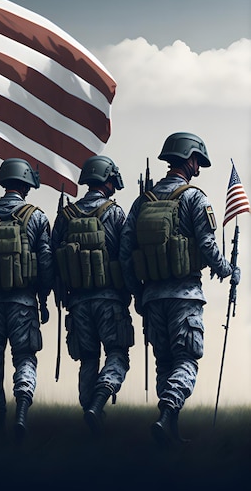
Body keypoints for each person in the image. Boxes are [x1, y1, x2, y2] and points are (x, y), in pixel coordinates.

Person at [119, 133, 240, 446]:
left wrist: (138, 295)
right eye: (197, 160)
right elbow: (208, 245)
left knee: (164, 362)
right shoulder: (194, 198)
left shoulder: (142, 201)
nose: (198, 168)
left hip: (153, 298)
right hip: (185, 296)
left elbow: (124, 252)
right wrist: (228, 270)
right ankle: (166, 412)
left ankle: (168, 428)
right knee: (187, 360)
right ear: (188, 158)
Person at [52, 155, 134, 435]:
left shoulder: (65, 216)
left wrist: (59, 296)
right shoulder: (115, 213)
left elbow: (53, 260)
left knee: (88, 359)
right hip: (110, 300)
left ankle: (89, 415)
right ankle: (98, 403)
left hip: (77, 302)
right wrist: (131, 292)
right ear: (107, 180)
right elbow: (125, 256)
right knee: (117, 353)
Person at [0, 158, 54, 442]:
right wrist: (44, 297)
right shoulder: (36, 216)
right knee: (24, 358)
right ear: (26, 184)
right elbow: (45, 262)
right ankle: (21, 411)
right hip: (24, 302)